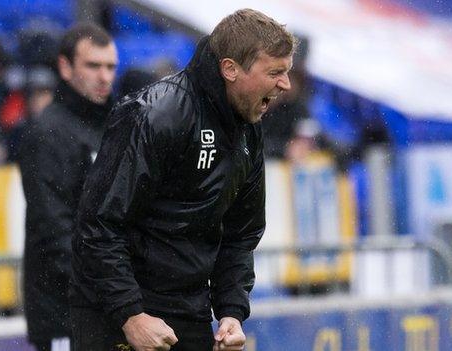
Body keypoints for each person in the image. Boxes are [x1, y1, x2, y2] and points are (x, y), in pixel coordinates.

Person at [70, 9, 294, 351]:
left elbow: (240, 234)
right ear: (230, 69)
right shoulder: (154, 114)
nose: (285, 84)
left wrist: (232, 312)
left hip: (189, 312)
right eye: (275, 72)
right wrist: (131, 315)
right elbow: (99, 225)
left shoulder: (249, 130)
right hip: (120, 316)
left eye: (287, 72)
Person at [18, 23, 118, 351]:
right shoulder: (45, 133)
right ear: (65, 67)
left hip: (111, 307)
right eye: (93, 66)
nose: (104, 77)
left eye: (111, 67)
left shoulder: (116, 124)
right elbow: (55, 229)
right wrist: (111, 285)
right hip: (65, 311)